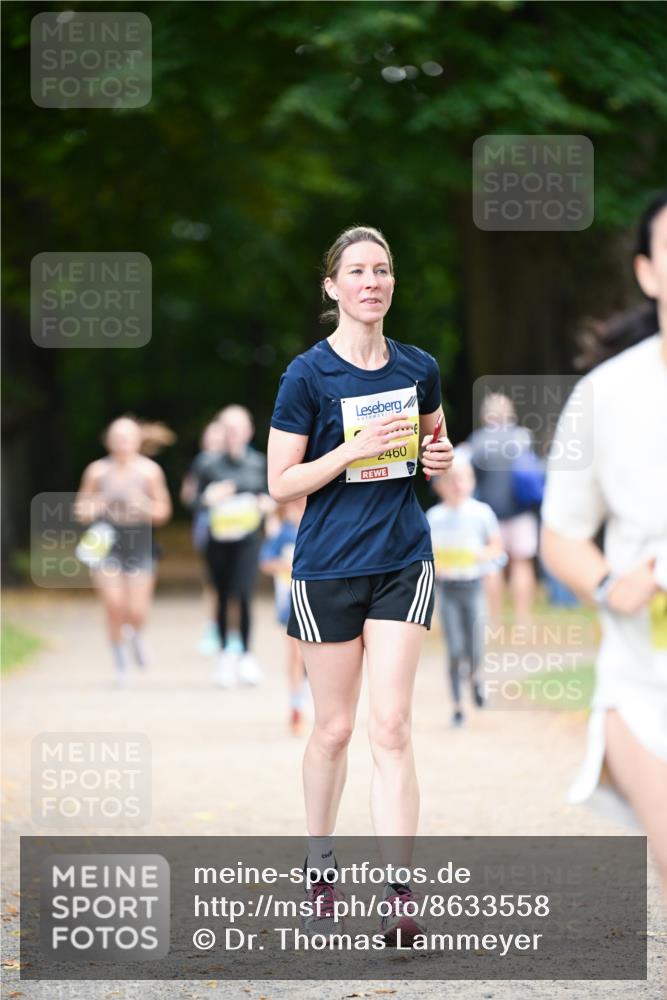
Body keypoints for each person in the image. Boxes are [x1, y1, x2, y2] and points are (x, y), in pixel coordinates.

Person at [267, 225, 453, 945]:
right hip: (325, 567)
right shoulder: (307, 376)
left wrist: (438, 458)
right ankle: (320, 863)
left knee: (392, 726)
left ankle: (399, 894)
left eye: (382, 270)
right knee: (335, 728)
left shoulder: (417, 367)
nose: (371, 281)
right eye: (357, 271)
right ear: (332, 286)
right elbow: (281, 484)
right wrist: (348, 450)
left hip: (402, 560)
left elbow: (438, 443)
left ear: (391, 283)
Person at [541, 191, 667, 902]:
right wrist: (604, 583)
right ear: (648, 274)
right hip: (643, 674)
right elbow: (562, 532)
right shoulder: (604, 396)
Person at [75, 416, 172, 683]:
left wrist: (144, 506)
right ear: (108, 441)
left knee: (137, 610)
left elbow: (164, 511)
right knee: (114, 605)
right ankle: (120, 663)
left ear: (137, 441)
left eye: (127, 438)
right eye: (117, 438)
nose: (122, 444)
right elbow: (80, 510)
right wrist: (97, 505)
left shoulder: (149, 471)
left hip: (140, 541)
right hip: (106, 542)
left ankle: (137, 636)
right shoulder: (96, 471)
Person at [196, 404, 272, 688]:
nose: (233, 435)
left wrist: (266, 504)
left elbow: (271, 494)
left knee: (243, 594)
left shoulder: (258, 462)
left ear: (249, 431)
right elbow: (193, 501)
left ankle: (246, 655)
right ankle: (225, 655)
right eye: (228, 429)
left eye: (238, 429)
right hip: (217, 541)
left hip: (248, 540)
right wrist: (208, 498)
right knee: (223, 594)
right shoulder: (208, 464)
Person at [426, 450, 503, 727]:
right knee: (455, 648)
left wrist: (483, 554)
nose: (457, 485)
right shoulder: (434, 517)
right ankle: (458, 706)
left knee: (476, 646)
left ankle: (477, 678)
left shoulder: (481, 513)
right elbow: (428, 554)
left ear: (471, 481)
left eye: (462, 478)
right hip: (448, 590)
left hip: (473, 587)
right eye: (450, 479)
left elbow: (496, 546)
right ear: (439, 486)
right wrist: (437, 566)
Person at [468, 393, 539, 625]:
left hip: (490, 514)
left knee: (492, 566)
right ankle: (523, 620)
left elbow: (472, 480)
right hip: (521, 511)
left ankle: (494, 620)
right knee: (522, 563)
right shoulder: (523, 437)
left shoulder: (477, 441)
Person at [260, 496, 309, 735]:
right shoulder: (284, 533)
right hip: (290, 601)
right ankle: (296, 706)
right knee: (295, 657)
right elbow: (265, 561)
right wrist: (288, 566)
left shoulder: (320, 528)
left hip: (318, 600)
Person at [180, 419, 227, 657]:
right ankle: (213, 627)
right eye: (210, 438)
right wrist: (208, 498)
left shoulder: (239, 462)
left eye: (218, 438)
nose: (214, 443)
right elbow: (188, 495)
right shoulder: (202, 462)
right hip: (208, 527)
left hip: (236, 528)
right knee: (213, 582)